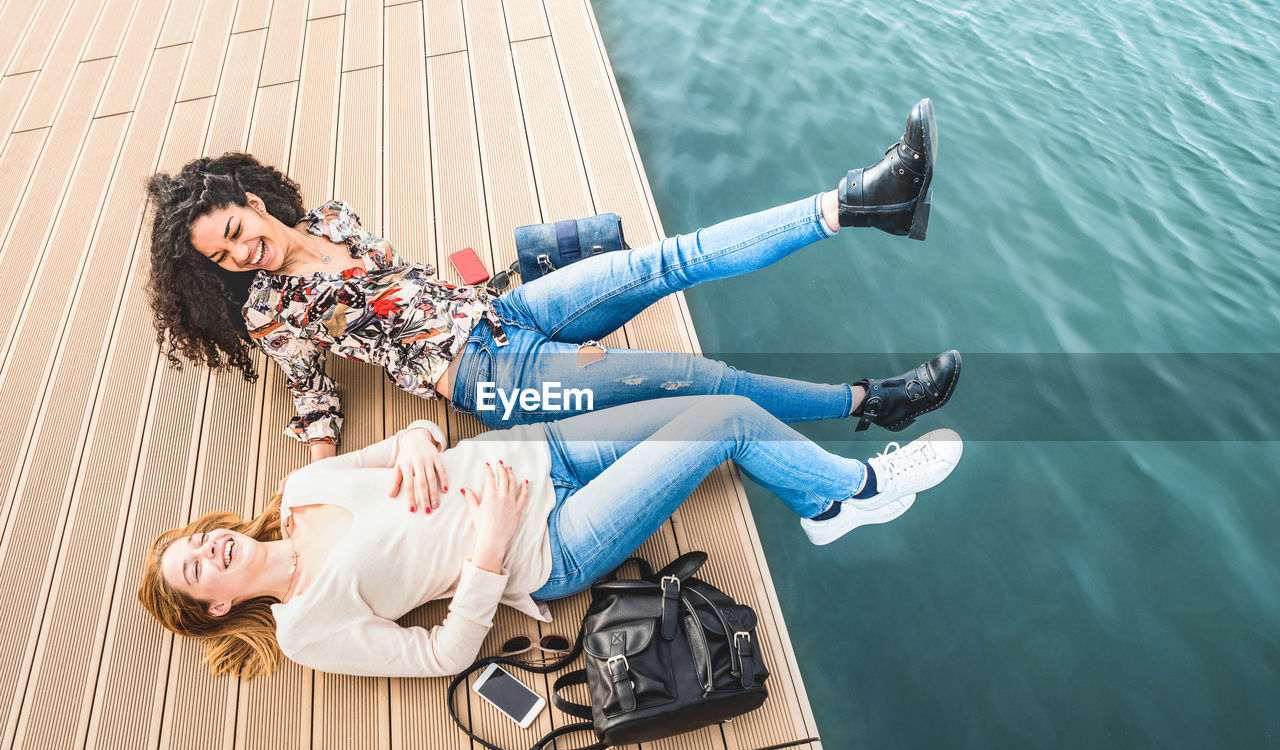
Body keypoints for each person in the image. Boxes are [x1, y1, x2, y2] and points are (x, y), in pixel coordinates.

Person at [143, 99, 958, 497]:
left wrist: (475, 281)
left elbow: (410, 284)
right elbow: (311, 394)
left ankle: (860, 201)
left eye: (235, 230)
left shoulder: (329, 217)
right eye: (226, 258)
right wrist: (316, 488)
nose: (245, 253)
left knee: (666, 260)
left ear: (244, 199)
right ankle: (870, 403)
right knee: (703, 381)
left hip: (505, 312)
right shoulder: (269, 311)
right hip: (492, 379)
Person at [137, 395, 964, 679]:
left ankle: (823, 507)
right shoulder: (306, 630)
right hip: (548, 543)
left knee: (702, 405)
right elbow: (440, 657)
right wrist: (487, 549)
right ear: (213, 607)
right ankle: (858, 490)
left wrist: (423, 439)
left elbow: (407, 442)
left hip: (538, 449)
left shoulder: (299, 488)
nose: (208, 551)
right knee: (723, 421)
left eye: (195, 542)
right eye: (195, 571)